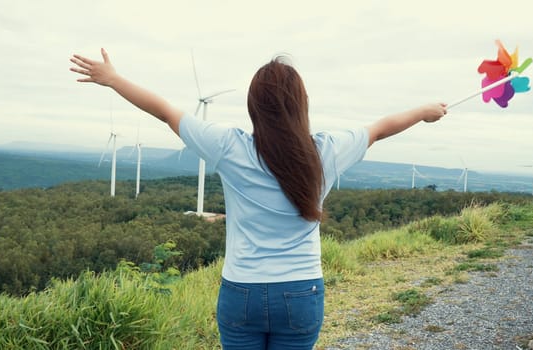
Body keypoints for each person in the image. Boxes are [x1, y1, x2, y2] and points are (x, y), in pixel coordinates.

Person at [69, 48, 447, 350]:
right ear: (303, 103)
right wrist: (423, 112)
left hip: (242, 291)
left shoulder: (229, 148)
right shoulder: (327, 151)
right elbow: (380, 128)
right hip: (302, 291)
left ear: (253, 106)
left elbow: (166, 111)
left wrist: (114, 80)